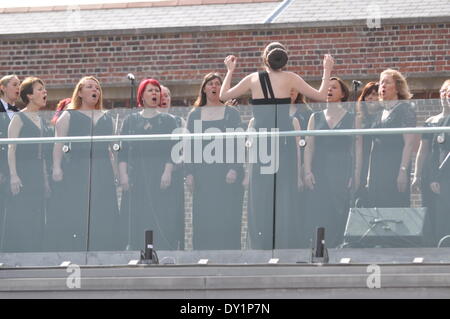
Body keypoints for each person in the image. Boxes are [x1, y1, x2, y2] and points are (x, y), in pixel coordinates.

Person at [220, 42, 334, 249]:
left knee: (262, 196)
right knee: (284, 195)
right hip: (282, 144)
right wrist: (327, 70)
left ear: (265, 58)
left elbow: (223, 96)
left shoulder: (254, 78)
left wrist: (230, 71)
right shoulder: (289, 77)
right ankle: (282, 244)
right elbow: (319, 94)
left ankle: (262, 245)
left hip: (263, 145)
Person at [51, 76, 120, 251]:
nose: (95, 90)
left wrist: (116, 174)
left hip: (102, 168)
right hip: (77, 168)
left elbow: (113, 150)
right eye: (90, 87)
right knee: (78, 209)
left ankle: (103, 249)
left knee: (102, 209)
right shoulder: (69, 115)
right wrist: (57, 167)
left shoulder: (107, 118)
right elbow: (58, 143)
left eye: (97, 88)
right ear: (80, 92)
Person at [118, 78, 184, 251]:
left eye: (157, 90)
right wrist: (123, 175)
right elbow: (123, 151)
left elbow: (172, 149)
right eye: (150, 90)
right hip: (136, 176)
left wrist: (167, 172)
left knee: (161, 214)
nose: (155, 93)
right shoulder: (130, 121)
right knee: (138, 214)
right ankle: (137, 251)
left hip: (160, 173)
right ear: (142, 95)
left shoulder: (168, 121)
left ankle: (161, 250)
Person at [184, 72, 244, 250]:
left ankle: (230, 255)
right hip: (203, 175)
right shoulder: (194, 115)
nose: (214, 87)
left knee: (227, 214)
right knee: (204, 214)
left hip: (227, 173)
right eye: (210, 84)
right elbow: (189, 146)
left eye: (218, 84)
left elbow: (238, 143)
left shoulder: (231, 114)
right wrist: (189, 172)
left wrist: (234, 168)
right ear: (203, 88)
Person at [304, 77, 362, 248]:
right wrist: (307, 171)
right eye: (327, 87)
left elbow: (358, 149)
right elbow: (309, 147)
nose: (329, 90)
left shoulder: (353, 118)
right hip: (319, 169)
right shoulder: (315, 117)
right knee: (320, 211)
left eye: (334, 87)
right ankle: (320, 248)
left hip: (342, 169)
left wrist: (356, 173)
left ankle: (339, 247)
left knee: (340, 210)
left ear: (343, 93)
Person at [3, 77, 50, 252]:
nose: (44, 92)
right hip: (23, 171)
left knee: (38, 213)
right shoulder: (19, 118)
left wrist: (45, 180)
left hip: (37, 172)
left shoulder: (42, 120)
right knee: (22, 213)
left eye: (44, 89)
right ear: (29, 95)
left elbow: (43, 154)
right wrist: (14, 176)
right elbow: (11, 148)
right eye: (40, 89)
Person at [367, 69, 418, 208]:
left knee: (395, 207)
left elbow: (409, 144)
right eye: (381, 82)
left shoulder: (405, 110)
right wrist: (369, 174)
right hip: (378, 168)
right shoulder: (379, 113)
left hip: (395, 166)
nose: (382, 86)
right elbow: (373, 145)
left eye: (387, 82)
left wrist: (403, 171)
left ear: (397, 87)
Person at [427, 80, 450, 245]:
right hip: (444, 176)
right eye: (446, 92)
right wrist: (434, 177)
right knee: (443, 213)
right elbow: (435, 152)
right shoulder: (441, 122)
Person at [0, 74, 20, 250]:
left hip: (15, 171)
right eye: (14, 84)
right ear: (3, 88)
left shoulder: (20, 114)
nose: (18, 88)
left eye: (19, 85)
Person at [354, 82, 382, 206]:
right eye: (367, 95)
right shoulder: (359, 120)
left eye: (374, 94)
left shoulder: (383, 118)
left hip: (378, 159)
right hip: (362, 160)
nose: (370, 97)